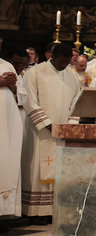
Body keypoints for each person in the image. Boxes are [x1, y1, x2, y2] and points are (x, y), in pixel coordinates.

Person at [21, 44, 81, 223]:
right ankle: (36, 212)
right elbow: (29, 101)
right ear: (52, 56)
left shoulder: (71, 75)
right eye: (61, 62)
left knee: (59, 169)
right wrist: (47, 125)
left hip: (62, 132)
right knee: (39, 168)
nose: (64, 65)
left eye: (67, 62)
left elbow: (77, 102)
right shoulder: (35, 72)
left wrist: (70, 125)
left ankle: (55, 210)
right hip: (40, 131)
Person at [0, 52, 22, 218]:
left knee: (7, 162)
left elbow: (21, 94)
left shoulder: (7, 65)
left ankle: (4, 212)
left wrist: (13, 85)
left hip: (7, 122)